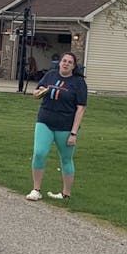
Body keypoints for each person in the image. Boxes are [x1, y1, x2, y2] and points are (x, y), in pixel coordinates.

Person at [27, 52, 87, 201]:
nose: (66, 64)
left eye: (69, 62)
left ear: (73, 66)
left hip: (66, 126)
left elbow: (81, 108)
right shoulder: (50, 75)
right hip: (45, 120)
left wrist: (73, 133)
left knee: (66, 158)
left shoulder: (78, 82)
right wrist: (38, 92)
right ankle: (36, 189)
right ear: (59, 63)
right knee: (39, 153)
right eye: (64, 61)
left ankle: (65, 193)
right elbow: (37, 91)